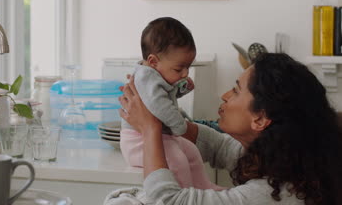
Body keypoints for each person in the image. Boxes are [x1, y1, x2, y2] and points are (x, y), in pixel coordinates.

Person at [119, 53, 342, 204]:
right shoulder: (288, 162)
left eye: (236, 91)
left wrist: (151, 130)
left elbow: (168, 202)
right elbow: (221, 146)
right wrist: (170, 123)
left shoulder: (271, 195)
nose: (225, 96)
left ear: (261, 118)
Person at [120, 17, 222, 190]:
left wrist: (181, 89)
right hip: (139, 142)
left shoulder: (156, 75)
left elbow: (166, 96)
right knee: (178, 160)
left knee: (192, 152)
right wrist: (180, 126)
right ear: (153, 61)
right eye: (179, 69)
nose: (185, 73)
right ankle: (185, 194)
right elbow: (160, 104)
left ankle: (202, 186)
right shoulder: (146, 78)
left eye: (188, 68)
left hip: (162, 138)